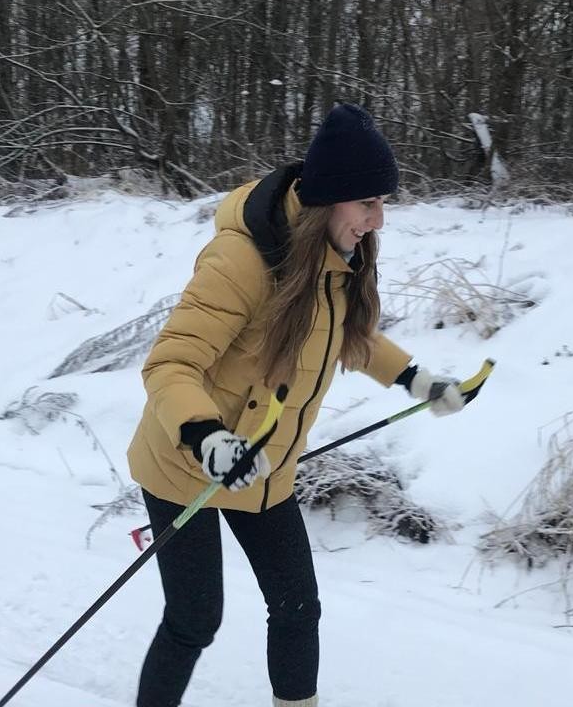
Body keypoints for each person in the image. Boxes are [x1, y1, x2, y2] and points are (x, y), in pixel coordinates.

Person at [127, 103, 465, 707]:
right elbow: (170, 363)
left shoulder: (334, 266)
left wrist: (419, 381)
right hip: (186, 466)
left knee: (297, 606)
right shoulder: (241, 261)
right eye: (367, 202)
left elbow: (350, 339)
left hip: (262, 469)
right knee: (196, 618)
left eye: (381, 203)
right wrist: (207, 436)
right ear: (330, 200)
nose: (377, 218)